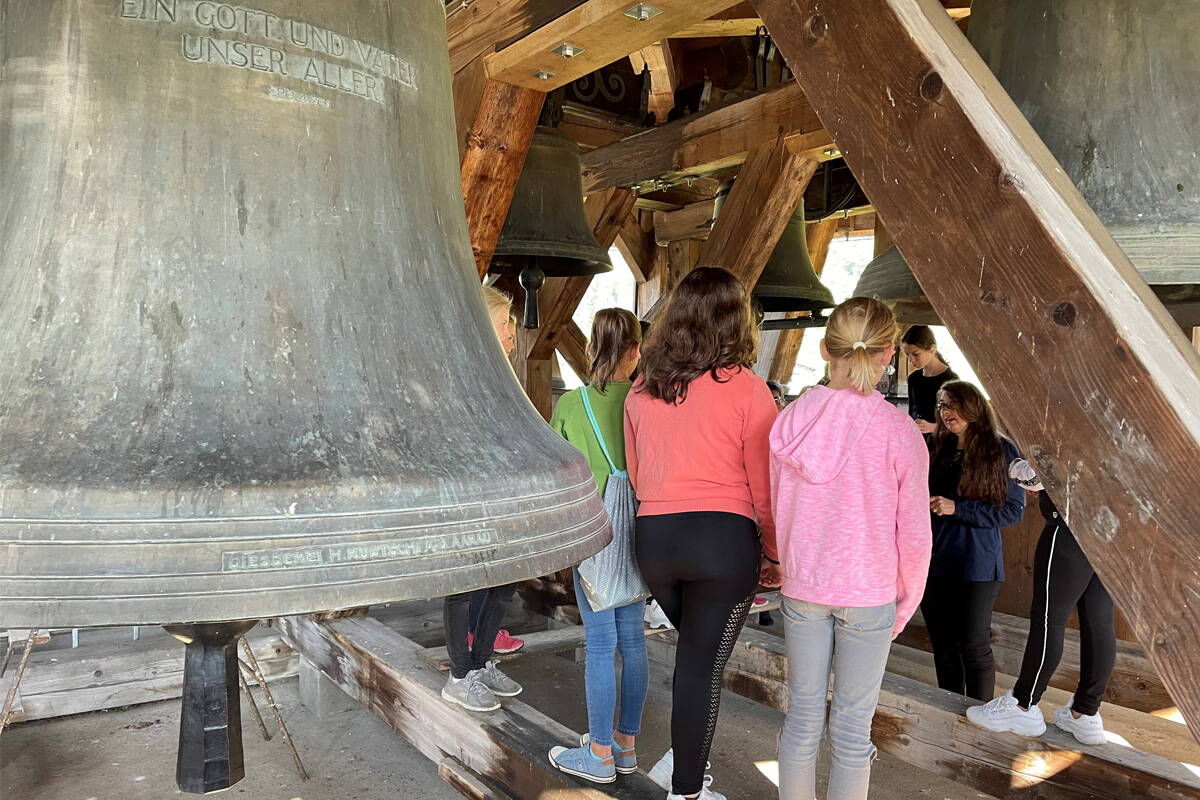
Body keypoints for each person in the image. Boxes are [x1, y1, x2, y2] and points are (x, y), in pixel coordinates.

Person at [624, 267, 780, 800]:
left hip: (656, 542)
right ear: (739, 320)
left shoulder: (642, 389)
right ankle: (686, 790)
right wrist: (776, 553)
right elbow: (764, 488)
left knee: (696, 657)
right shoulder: (750, 391)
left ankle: (678, 765)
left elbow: (639, 475)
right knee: (701, 669)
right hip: (722, 542)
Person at [771, 296, 932, 800]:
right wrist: (905, 601)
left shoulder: (789, 423)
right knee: (851, 730)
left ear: (824, 349)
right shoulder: (901, 432)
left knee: (801, 720)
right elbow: (915, 534)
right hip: (870, 591)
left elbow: (780, 510)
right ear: (889, 354)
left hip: (804, 587)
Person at [546, 308, 649, 783]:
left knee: (601, 642)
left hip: (593, 531)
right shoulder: (647, 401)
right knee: (634, 642)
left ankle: (599, 755)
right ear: (635, 351)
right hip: (643, 533)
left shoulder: (571, 405)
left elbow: (559, 475)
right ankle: (627, 747)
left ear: (591, 349)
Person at [966, 459, 1115, 745]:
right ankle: (1085, 712)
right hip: (1111, 530)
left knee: (1049, 619)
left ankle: (1023, 704)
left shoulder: (1077, 419)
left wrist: (1018, 470)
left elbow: (1040, 472)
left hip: (1070, 524)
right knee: (1100, 621)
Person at [440, 286, 525, 711]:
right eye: (504, 322)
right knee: (462, 587)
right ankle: (459, 675)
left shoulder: (506, 376)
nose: (512, 331)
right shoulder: (461, 375)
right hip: (467, 494)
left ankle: (480, 661)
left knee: (503, 583)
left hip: (502, 494)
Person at [923, 380, 1025, 701]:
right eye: (941, 406)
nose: (946, 412)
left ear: (973, 406)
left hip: (976, 564)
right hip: (934, 559)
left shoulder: (1000, 449)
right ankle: (951, 706)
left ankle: (980, 712)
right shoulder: (938, 447)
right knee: (941, 642)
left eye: (952, 404)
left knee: (973, 643)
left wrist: (958, 508)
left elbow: (1012, 511)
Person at [900, 326, 957, 436]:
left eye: (915, 354)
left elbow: (958, 423)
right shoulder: (914, 378)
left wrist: (932, 427)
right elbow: (912, 412)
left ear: (932, 349)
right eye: (908, 355)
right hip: (917, 442)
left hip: (941, 445)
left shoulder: (952, 380)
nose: (911, 360)